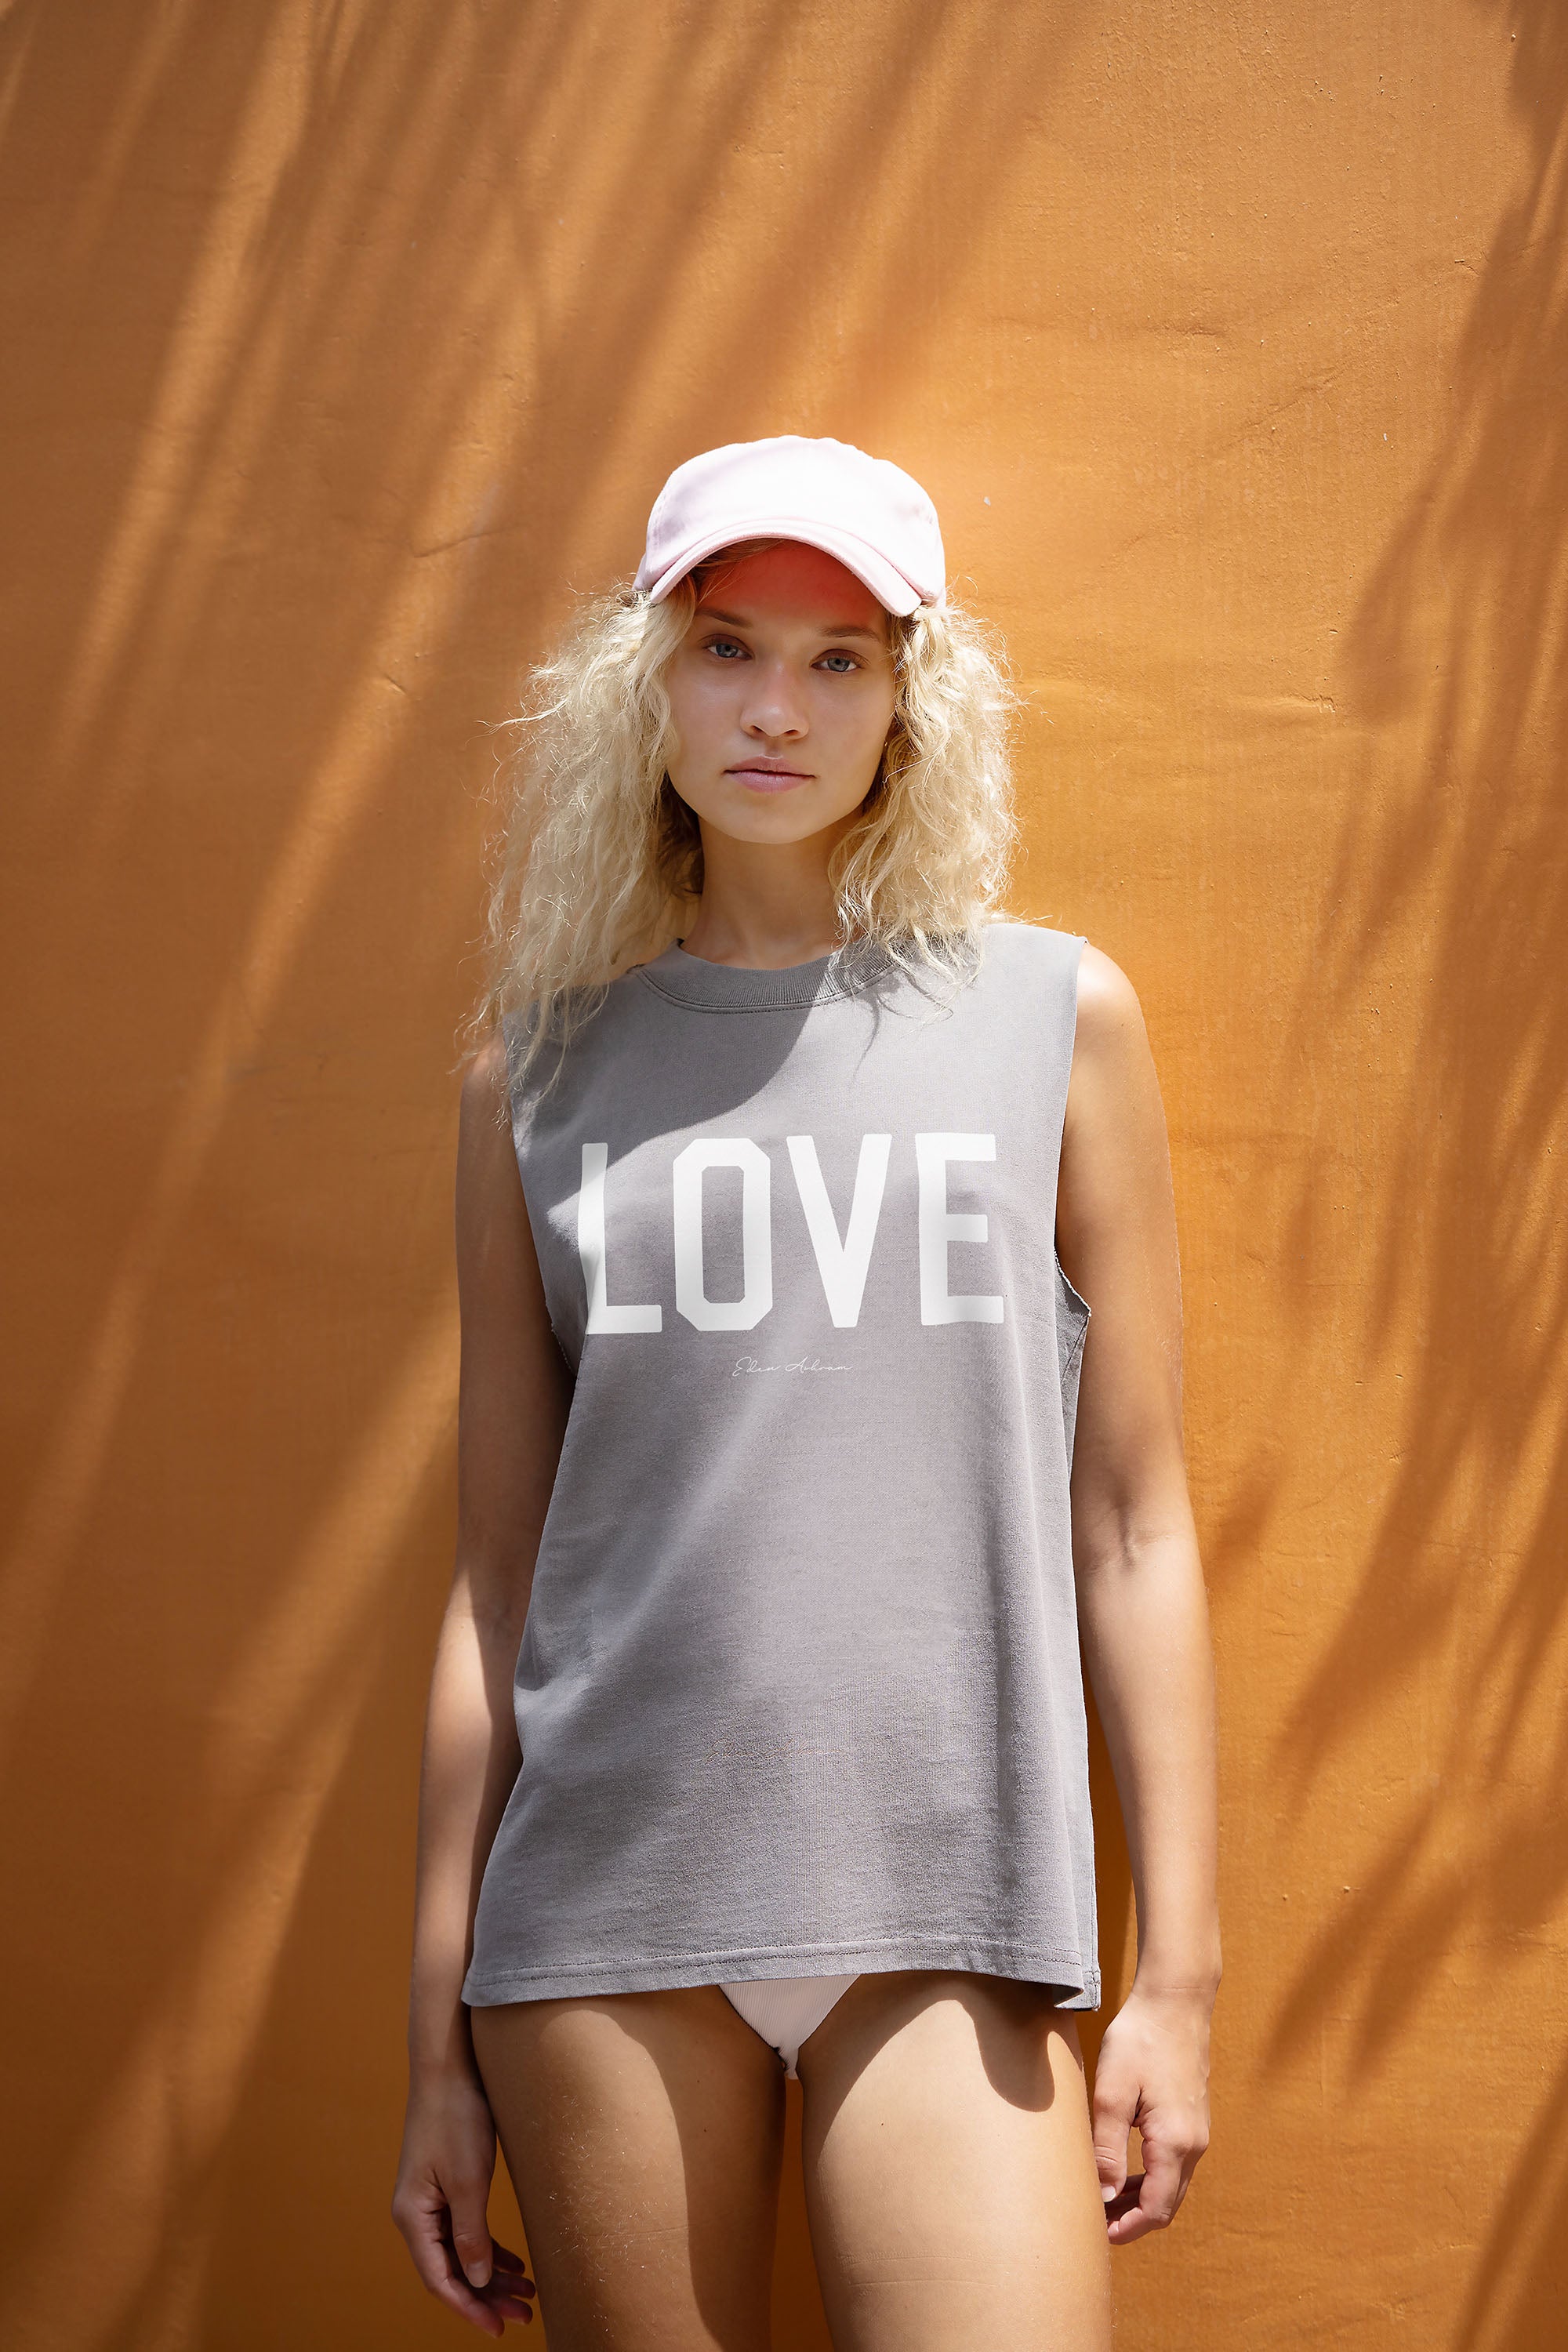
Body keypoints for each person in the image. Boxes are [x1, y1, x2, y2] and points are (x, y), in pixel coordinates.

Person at [391, 435, 1220, 2350]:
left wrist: (1175, 1980)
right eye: (729, 648)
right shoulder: (532, 1079)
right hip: (602, 1921)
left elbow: (1132, 1525)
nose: (778, 708)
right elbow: (496, 1592)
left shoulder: (1052, 1019)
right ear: (645, 682)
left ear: (911, 700)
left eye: (841, 659)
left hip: (954, 1908)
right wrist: (431, 2049)